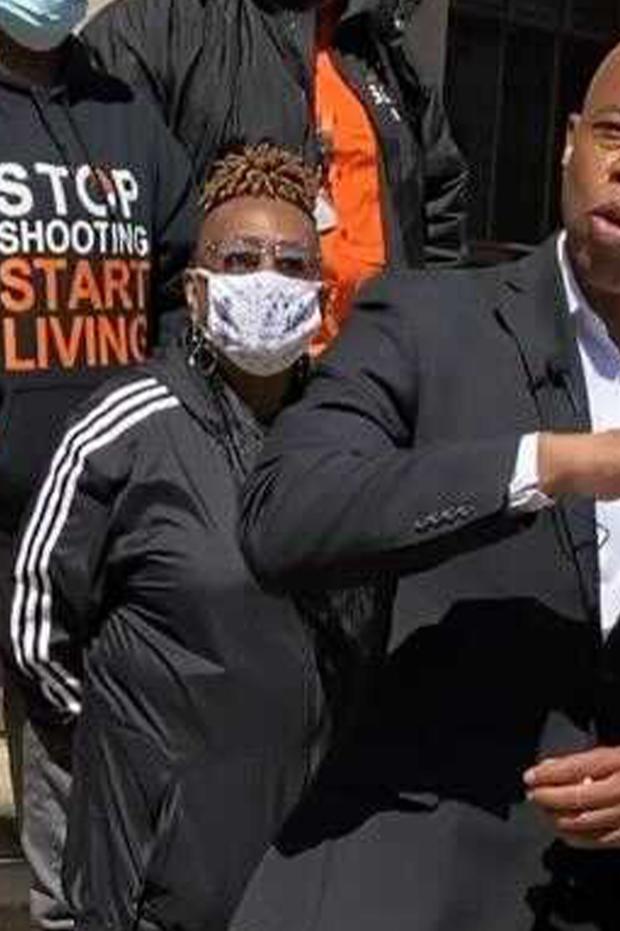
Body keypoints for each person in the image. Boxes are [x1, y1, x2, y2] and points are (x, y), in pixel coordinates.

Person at [233, 23, 620, 931]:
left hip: (615, 903)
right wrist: (543, 465)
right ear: (567, 140)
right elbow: (285, 516)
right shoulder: (428, 325)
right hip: (387, 891)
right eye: (613, 131)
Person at [7, 143, 330, 931]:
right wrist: (127, 740)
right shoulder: (126, 426)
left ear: (321, 290)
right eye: (242, 257)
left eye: (292, 263)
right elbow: (35, 623)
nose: (267, 278)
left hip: (303, 849)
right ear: (196, 285)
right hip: (154, 864)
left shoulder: (343, 433)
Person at [0, 1, 198, 926]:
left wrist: (151, 427)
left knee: (68, 796)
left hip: (92, 528)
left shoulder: (126, 113)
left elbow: (180, 274)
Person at [82, 0, 469, 352]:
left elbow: (439, 214)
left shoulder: (381, 50)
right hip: (220, 392)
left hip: (368, 394)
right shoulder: (155, 30)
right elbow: (102, 245)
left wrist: (423, 355)